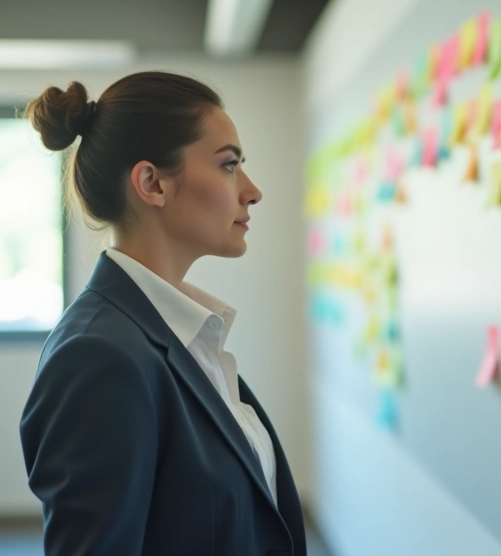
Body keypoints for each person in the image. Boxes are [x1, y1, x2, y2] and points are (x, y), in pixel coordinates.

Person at [19, 71, 306, 556]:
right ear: (152, 183)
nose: (253, 190)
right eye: (229, 164)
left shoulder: (187, 335)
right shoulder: (98, 356)